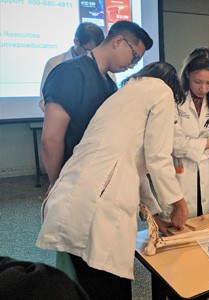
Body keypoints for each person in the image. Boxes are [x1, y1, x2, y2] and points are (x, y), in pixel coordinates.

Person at [37, 62, 189, 299]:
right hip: (97, 207)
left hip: (71, 195)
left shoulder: (123, 94)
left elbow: (130, 168)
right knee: (110, 289)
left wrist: (155, 215)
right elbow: (157, 158)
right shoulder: (162, 91)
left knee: (90, 287)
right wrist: (178, 203)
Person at [40, 20, 153, 281]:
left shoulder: (110, 85)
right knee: (86, 275)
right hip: (76, 187)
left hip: (101, 190)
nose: (133, 65)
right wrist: (56, 182)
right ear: (117, 41)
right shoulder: (70, 73)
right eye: (134, 56)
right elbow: (51, 138)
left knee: (103, 267)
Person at [171, 47, 209, 217]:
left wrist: (192, 146)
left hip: (208, 173)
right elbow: (176, 146)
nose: (203, 89)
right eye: (198, 82)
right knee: (180, 229)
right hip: (181, 175)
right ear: (188, 74)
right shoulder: (174, 100)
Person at [39, 22, 105, 111]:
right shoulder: (55, 64)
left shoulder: (104, 66)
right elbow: (44, 102)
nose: (92, 55)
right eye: (89, 51)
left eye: (96, 51)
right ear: (76, 42)